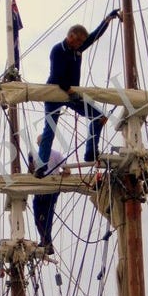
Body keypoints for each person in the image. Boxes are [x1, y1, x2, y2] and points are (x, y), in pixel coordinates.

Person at [35, 10, 122, 177]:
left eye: (82, 42)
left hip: (72, 93)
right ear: (71, 37)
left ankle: (90, 151)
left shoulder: (78, 47)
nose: (80, 45)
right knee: (50, 130)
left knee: (99, 117)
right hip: (55, 93)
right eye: (78, 41)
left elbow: (94, 36)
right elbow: (57, 75)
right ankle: (41, 165)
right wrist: (70, 91)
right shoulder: (57, 51)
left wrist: (108, 19)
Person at [28, 135, 70, 254]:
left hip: (50, 189)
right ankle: (46, 241)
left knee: (46, 217)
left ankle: (46, 242)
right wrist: (30, 160)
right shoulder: (36, 155)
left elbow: (67, 170)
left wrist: (58, 177)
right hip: (41, 190)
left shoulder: (56, 155)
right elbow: (31, 173)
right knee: (39, 218)